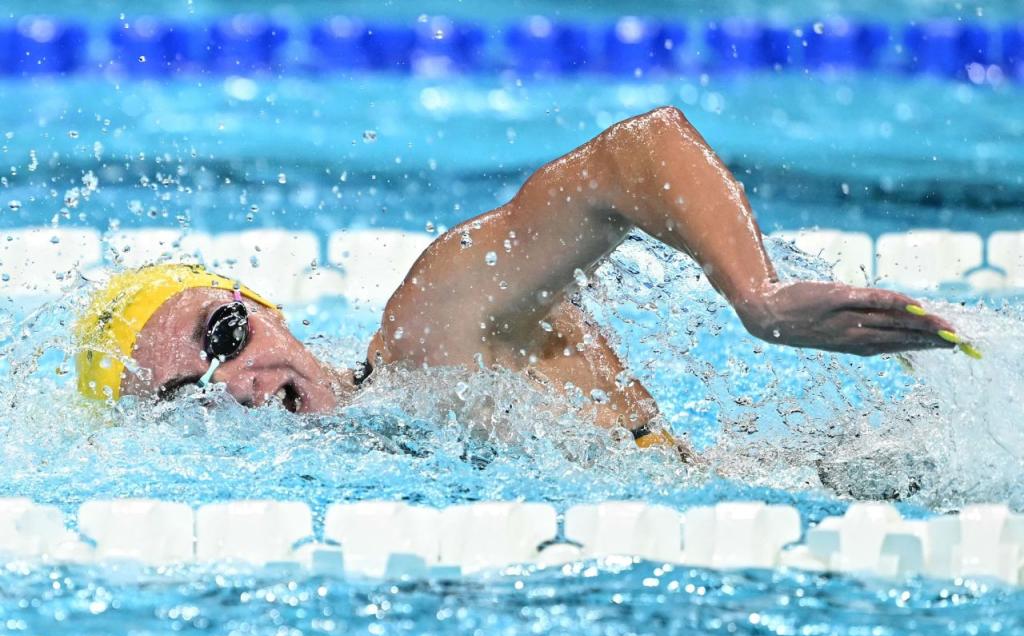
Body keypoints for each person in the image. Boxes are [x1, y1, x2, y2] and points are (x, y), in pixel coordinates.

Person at [74, 106, 966, 451]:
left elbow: (635, 154)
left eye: (223, 336)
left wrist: (756, 296)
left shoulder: (431, 334)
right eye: (187, 397)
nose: (234, 383)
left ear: (262, 308)